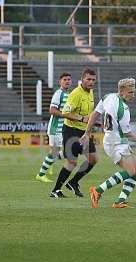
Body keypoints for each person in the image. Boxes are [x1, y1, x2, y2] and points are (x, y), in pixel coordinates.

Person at [81, 78, 136, 208]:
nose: (133, 95)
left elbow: (95, 114)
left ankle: (120, 201)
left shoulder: (108, 97)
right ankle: (97, 190)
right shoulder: (123, 109)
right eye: (130, 92)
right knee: (131, 170)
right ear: (122, 91)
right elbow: (127, 133)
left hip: (114, 141)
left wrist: (87, 132)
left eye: (134, 92)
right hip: (115, 143)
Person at [50, 68, 98, 198]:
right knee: (72, 162)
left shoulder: (91, 92)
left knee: (93, 159)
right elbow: (66, 113)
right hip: (70, 130)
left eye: (93, 80)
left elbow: (88, 114)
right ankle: (55, 190)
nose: (91, 82)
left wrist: (92, 123)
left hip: (83, 131)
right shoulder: (76, 93)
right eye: (88, 79)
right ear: (82, 79)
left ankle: (73, 182)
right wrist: (82, 119)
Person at [35, 72, 72, 183]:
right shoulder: (58, 94)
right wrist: (65, 115)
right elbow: (52, 110)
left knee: (64, 151)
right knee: (64, 151)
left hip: (63, 128)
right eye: (65, 79)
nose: (67, 81)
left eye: (69, 79)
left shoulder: (70, 94)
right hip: (56, 128)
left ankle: (49, 162)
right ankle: (41, 174)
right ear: (60, 82)